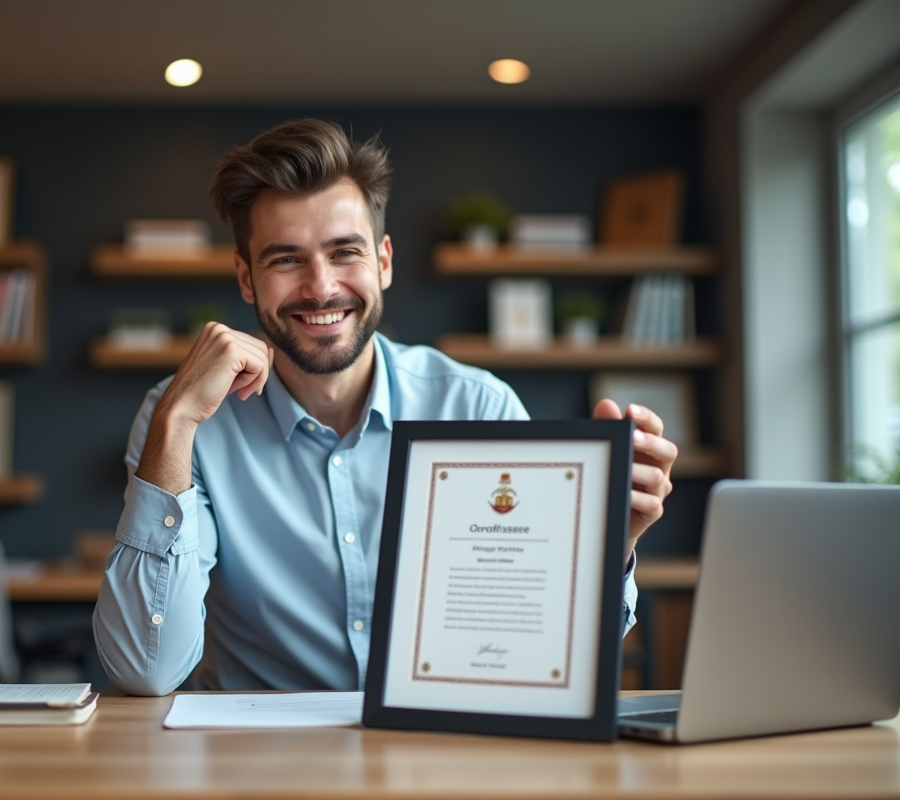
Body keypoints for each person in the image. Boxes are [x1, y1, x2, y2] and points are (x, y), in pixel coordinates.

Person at [93, 119, 677, 696]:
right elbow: (146, 671)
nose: (321, 288)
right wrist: (174, 422)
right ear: (246, 278)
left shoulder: (477, 407)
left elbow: (549, 654)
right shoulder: (187, 419)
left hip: (444, 754)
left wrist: (611, 546)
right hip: (261, 762)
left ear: (384, 262)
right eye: (285, 260)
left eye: (345, 252)